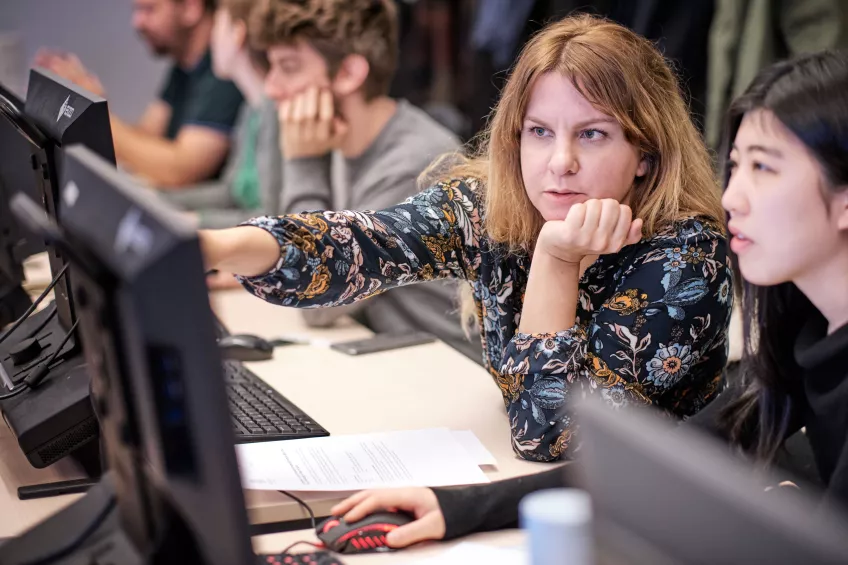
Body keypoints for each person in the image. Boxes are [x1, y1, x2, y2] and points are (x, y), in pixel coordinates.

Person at [330, 50, 848, 549]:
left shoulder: (688, 253)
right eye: (736, 166)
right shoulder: (801, 336)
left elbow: (551, 434)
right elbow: (675, 459)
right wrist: (460, 509)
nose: (731, 197)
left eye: (765, 168)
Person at [200, 15, 731, 462]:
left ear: (646, 153)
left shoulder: (685, 258)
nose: (559, 163)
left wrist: (555, 259)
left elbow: (548, 433)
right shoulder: (490, 206)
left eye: (592, 134)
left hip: (646, 521)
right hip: (526, 489)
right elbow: (361, 246)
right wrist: (218, 249)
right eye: (539, 132)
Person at [240, 0, 481, 362]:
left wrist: (302, 161)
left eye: (288, 68)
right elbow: (278, 229)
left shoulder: (416, 164)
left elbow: (314, 298)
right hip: (390, 359)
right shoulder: (336, 141)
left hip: (448, 372)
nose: (272, 88)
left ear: (349, 73)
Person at [35, 0, 244, 187]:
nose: (137, 22)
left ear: (191, 7)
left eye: (149, 9)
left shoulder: (223, 71)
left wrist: (94, 117)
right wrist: (95, 109)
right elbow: (148, 135)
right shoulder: (184, 66)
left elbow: (181, 169)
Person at [162, 0, 282, 229]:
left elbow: (272, 216)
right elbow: (231, 191)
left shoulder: (277, 114)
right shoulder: (250, 110)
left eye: (217, 26)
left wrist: (195, 221)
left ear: (238, 34)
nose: (211, 40)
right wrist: (160, 200)